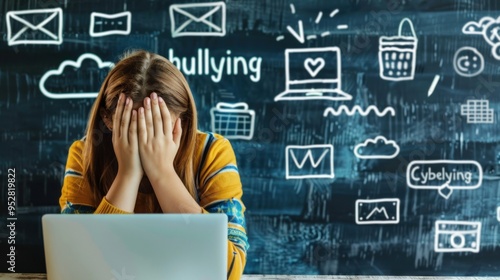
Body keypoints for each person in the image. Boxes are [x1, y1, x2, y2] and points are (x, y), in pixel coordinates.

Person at [59, 49, 249, 279]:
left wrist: (163, 174)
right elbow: (80, 271)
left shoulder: (213, 152)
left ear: (182, 119)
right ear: (108, 120)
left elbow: (229, 270)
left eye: (159, 127)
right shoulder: (84, 155)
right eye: (133, 128)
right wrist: (128, 174)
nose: (147, 142)